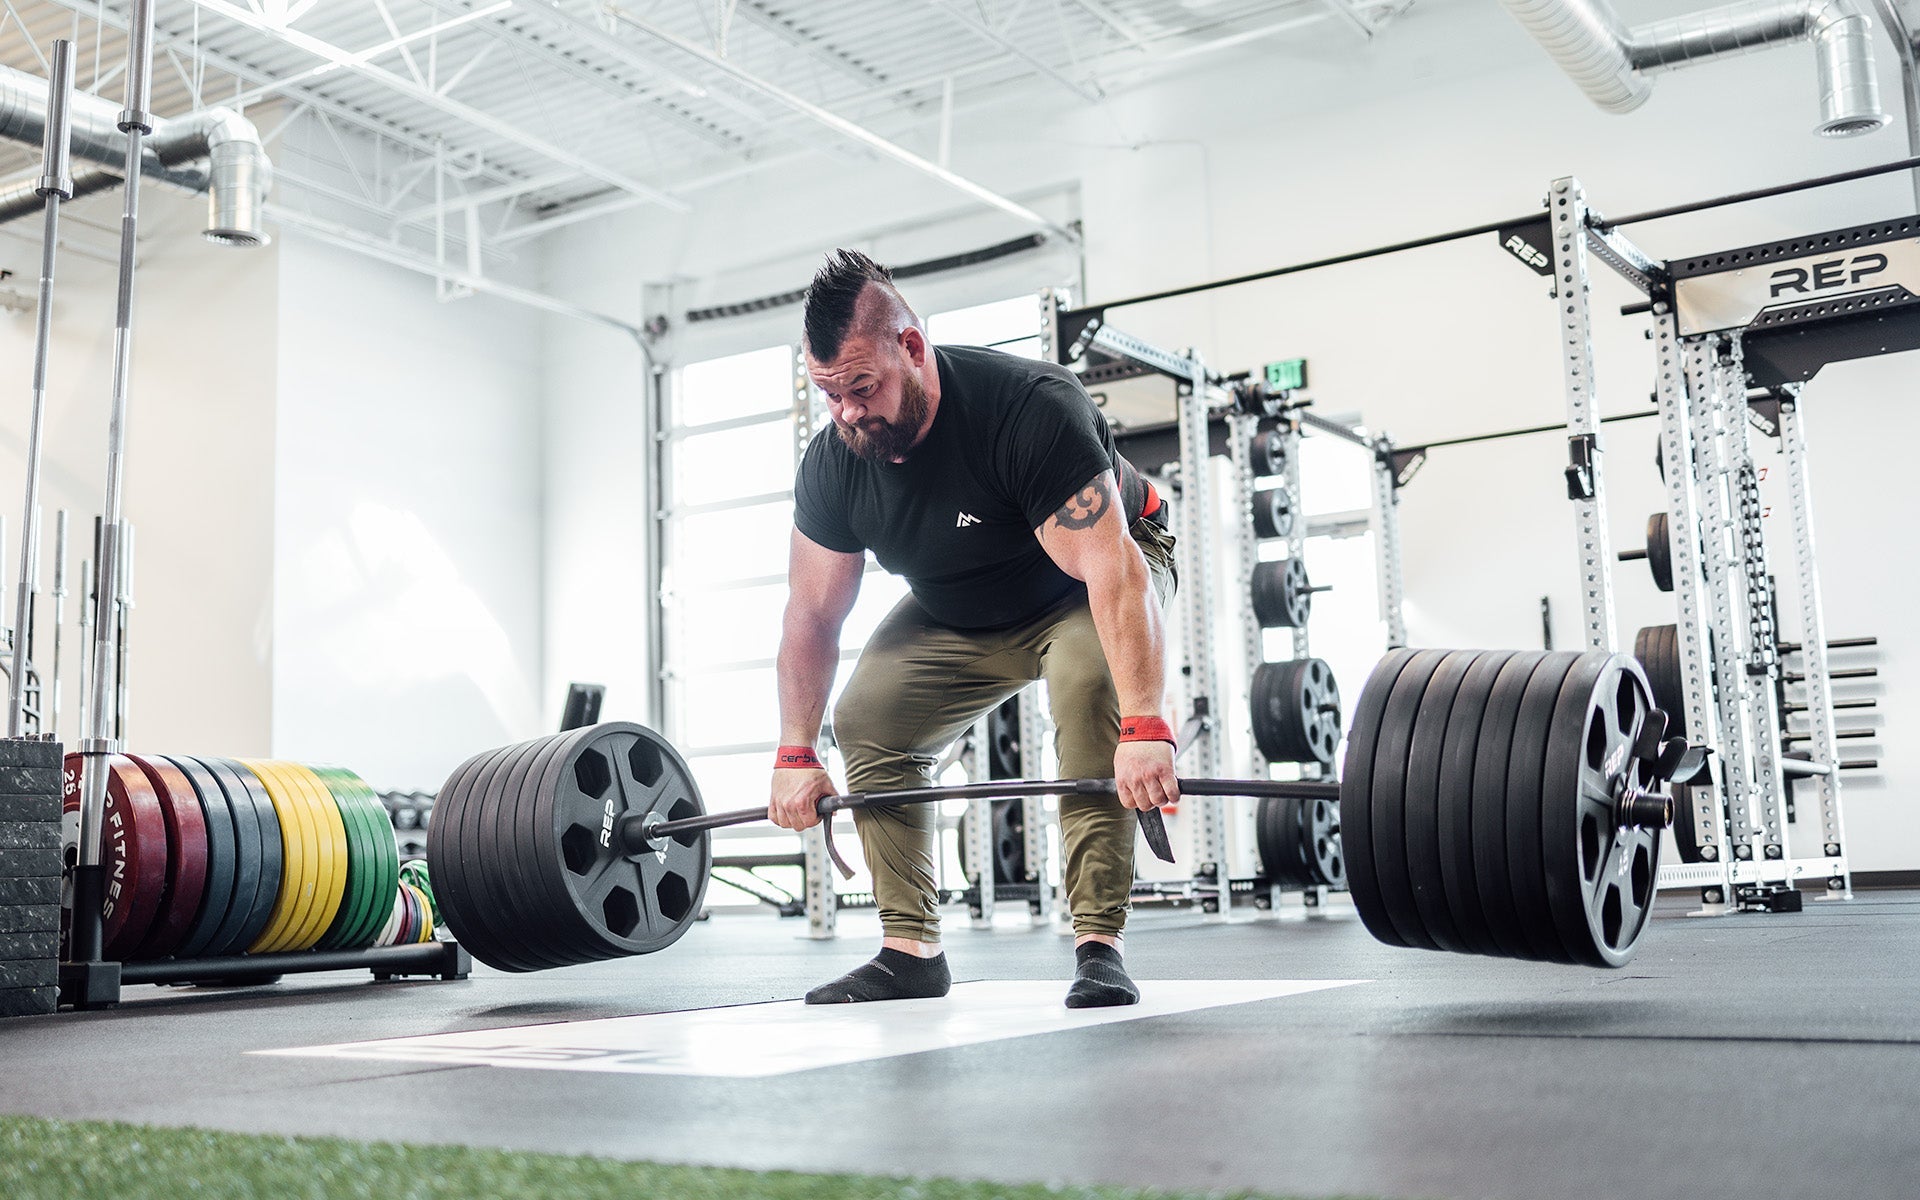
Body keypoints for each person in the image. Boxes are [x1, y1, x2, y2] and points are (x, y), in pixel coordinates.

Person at [768, 249, 1180, 1009]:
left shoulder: (1029, 408)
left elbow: (1113, 572)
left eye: (863, 387)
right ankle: (910, 951)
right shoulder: (834, 464)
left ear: (913, 349)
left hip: (1082, 584)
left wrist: (1147, 724)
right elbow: (812, 614)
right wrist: (795, 752)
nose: (850, 412)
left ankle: (1098, 944)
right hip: (959, 599)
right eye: (830, 396)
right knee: (867, 715)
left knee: (1092, 688)